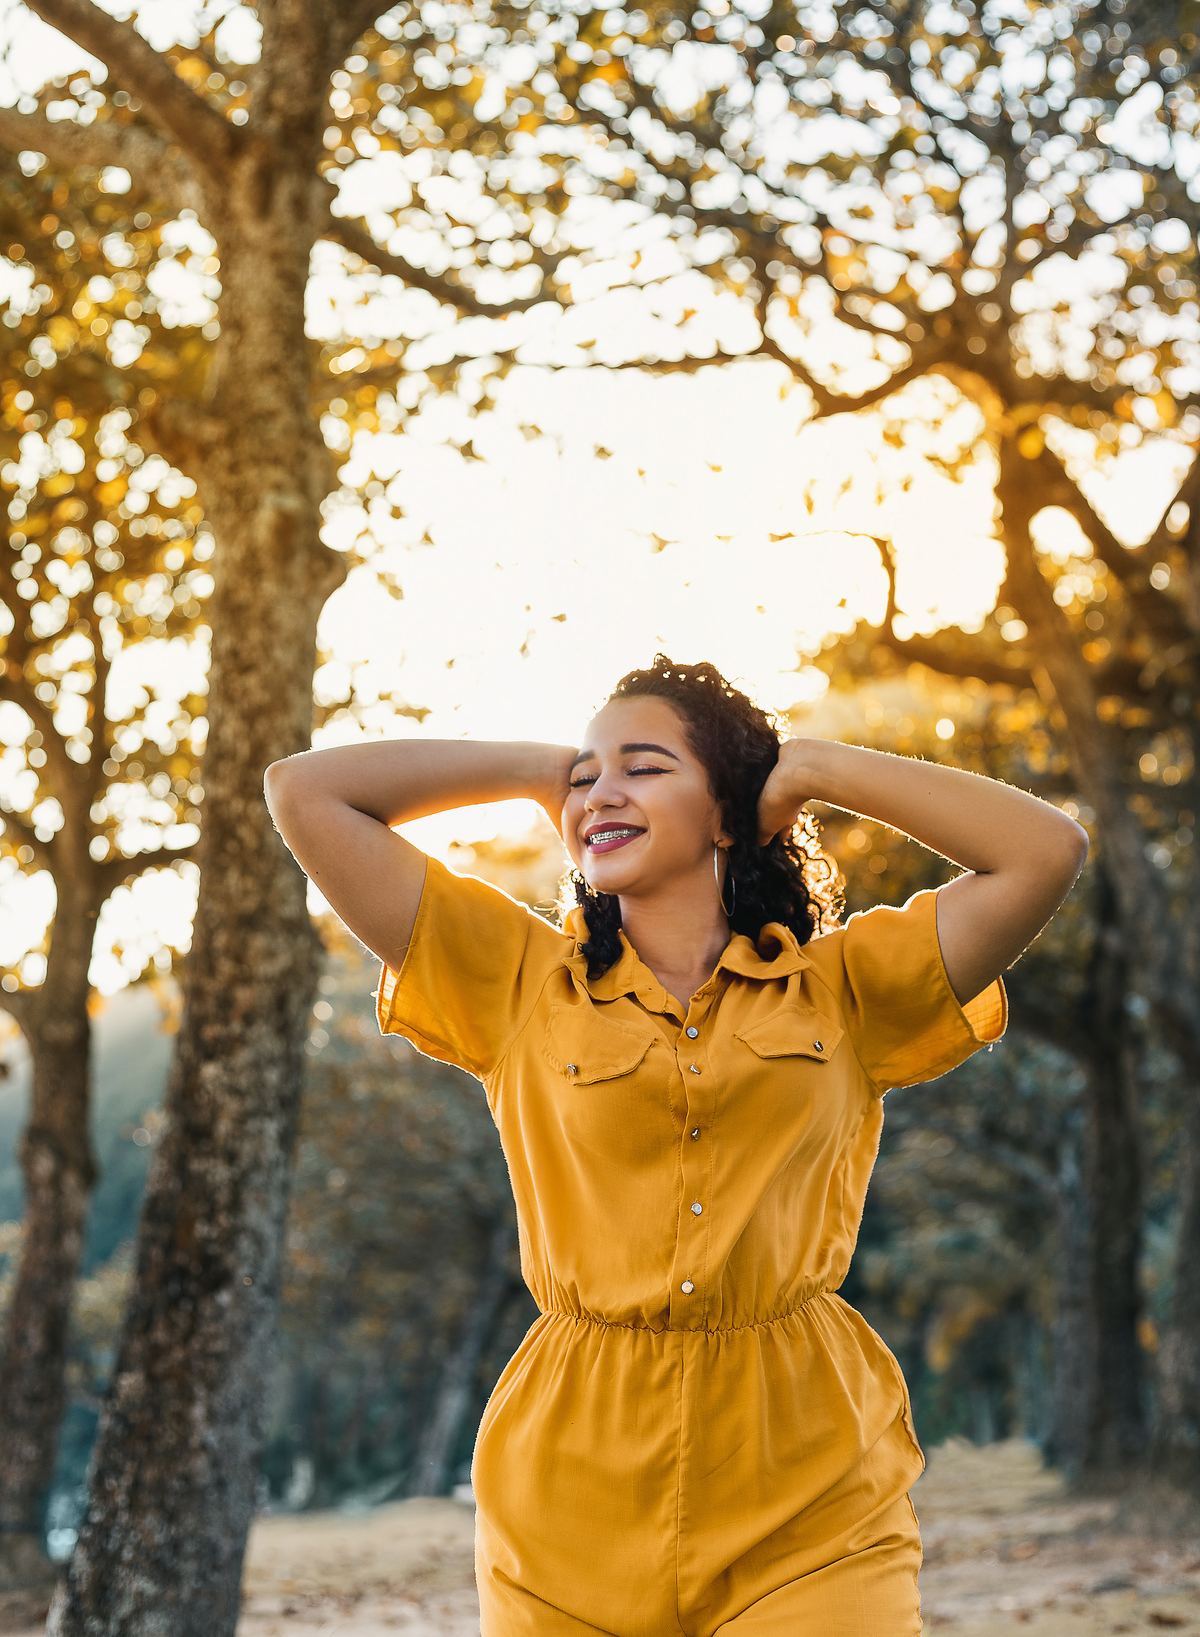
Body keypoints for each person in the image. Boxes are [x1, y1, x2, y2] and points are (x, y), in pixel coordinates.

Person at [265, 654, 1087, 1636]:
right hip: (571, 1503)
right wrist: (544, 769)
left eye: (645, 767)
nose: (603, 792)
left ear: (730, 813)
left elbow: (1044, 851)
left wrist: (815, 768)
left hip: (809, 1485)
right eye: (589, 777)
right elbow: (307, 793)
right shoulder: (517, 981)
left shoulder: (848, 988)